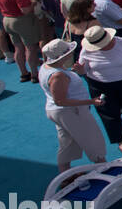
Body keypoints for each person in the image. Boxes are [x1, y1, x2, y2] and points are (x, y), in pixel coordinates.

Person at [77, 25, 122, 155]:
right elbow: (84, 70)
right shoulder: (86, 50)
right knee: (109, 113)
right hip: (99, 84)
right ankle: (120, 141)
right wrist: (79, 70)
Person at [38, 38, 106, 173]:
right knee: (91, 139)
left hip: (59, 112)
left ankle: (65, 175)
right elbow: (61, 101)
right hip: (70, 112)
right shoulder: (58, 75)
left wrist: (77, 72)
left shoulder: (48, 67)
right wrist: (91, 102)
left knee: (67, 143)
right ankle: (104, 168)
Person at [0, 0, 40, 82]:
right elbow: (25, 10)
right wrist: (32, 4)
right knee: (30, 48)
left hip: (7, 20)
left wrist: (5, 8)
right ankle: (34, 74)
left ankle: (23, 73)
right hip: (21, 21)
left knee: (18, 47)